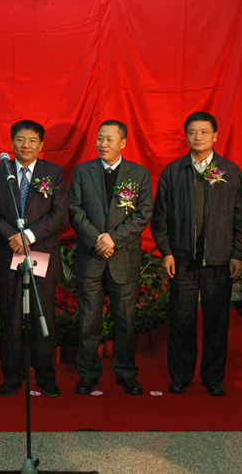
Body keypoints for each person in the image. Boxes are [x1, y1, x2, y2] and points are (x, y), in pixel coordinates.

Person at [150, 111, 242, 397]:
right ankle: (180, 375)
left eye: (204, 132)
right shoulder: (173, 172)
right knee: (181, 321)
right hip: (182, 261)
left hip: (219, 261)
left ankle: (213, 376)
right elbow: (160, 219)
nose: (198, 137)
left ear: (215, 136)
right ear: (186, 136)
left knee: (217, 322)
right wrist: (166, 252)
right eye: (192, 132)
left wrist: (238, 254)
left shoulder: (230, 172)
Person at [0, 120, 68, 397]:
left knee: (44, 317)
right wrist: (13, 237)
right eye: (20, 139)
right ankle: (12, 375)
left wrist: (28, 236)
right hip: (8, 253)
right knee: (11, 318)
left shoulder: (53, 172)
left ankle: (45, 375)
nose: (25, 145)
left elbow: (60, 214)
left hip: (41, 252)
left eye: (31, 140)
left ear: (41, 145)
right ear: (12, 142)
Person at [68, 120, 153, 396]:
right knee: (88, 320)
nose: (103, 144)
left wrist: (113, 239)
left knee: (125, 320)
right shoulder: (83, 171)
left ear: (123, 143)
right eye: (100, 138)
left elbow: (143, 213)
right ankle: (87, 373)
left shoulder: (139, 174)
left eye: (110, 139)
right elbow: (75, 210)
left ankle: (126, 373)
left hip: (123, 258)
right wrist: (97, 239)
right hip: (91, 257)